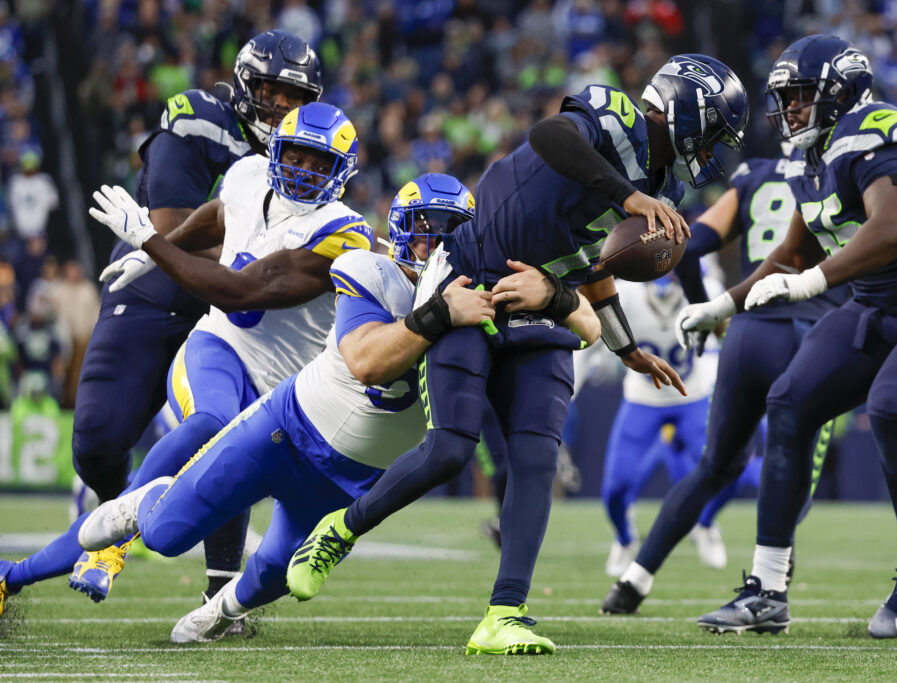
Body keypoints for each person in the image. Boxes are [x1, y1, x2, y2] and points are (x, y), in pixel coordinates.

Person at [285, 54, 749, 656]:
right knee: (450, 449)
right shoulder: (614, 116)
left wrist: (625, 344)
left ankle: (505, 613)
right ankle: (340, 529)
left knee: (536, 461)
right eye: (712, 135)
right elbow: (549, 135)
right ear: (688, 111)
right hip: (469, 284)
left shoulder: (666, 186)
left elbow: (594, 263)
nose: (711, 154)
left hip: (542, 303)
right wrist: (629, 198)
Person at [76, 174, 599, 643]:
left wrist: (554, 292)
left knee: (275, 577)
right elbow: (368, 361)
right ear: (398, 232)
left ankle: (222, 609)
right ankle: (145, 501)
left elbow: (587, 325)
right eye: (423, 230)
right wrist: (441, 313)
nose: (434, 245)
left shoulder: (486, 297)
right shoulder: (367, 269)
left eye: (449, 232)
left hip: (350, 477)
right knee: (167, 536)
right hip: (289, 428)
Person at [679, 35, 897, 638]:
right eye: (783, 99)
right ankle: (767, 589)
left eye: (800, 96)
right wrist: (720, 305)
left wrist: (810, 285)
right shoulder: (810, 159)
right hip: (880, 304)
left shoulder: (875, 127)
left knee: (889, 408)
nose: (790, 111)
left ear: (838, 94)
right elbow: (791, 251)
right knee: (787, 401)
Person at [0, 102, 370, 619]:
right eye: (297, 156)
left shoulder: (344, 233)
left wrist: (150, 242)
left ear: (342, 173)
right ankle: (112, 545)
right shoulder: (246, 173)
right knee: (212, 424)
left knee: (235, 492)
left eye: (319, 162)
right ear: (276, 150)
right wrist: (161, 247)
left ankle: (11, 577)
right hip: (215, 349)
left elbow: (243, 290)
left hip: (281, 391)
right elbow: (220, 215)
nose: (303, 170)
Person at [68, 29, 323, 606]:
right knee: (96, 441)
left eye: (293, 95)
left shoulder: (316, 146)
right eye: (269, 90)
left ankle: (220, 589)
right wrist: (254, 266)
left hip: (234, 311)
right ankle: (123, 507)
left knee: (226, 434)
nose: (281, 105)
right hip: (154, 286)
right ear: (242, 85)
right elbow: (168, 226)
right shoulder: (197, 117)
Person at [600, 150, 845, 614]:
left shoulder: (757, 172)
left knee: (714, 466)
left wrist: (708, 311)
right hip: (812, 333)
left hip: (748, 332)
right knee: (795, 468)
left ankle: (633, 581)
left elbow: (685, 246)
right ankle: (770, 580)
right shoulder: (844, 169)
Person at [600, 274, 748, 577]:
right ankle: (625, 539)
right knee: (615, 487)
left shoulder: (708, 287)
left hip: (693, 395)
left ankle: (704, 524)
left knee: (732, 470)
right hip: (642, 398)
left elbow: (727, 341)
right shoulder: (625, 294)